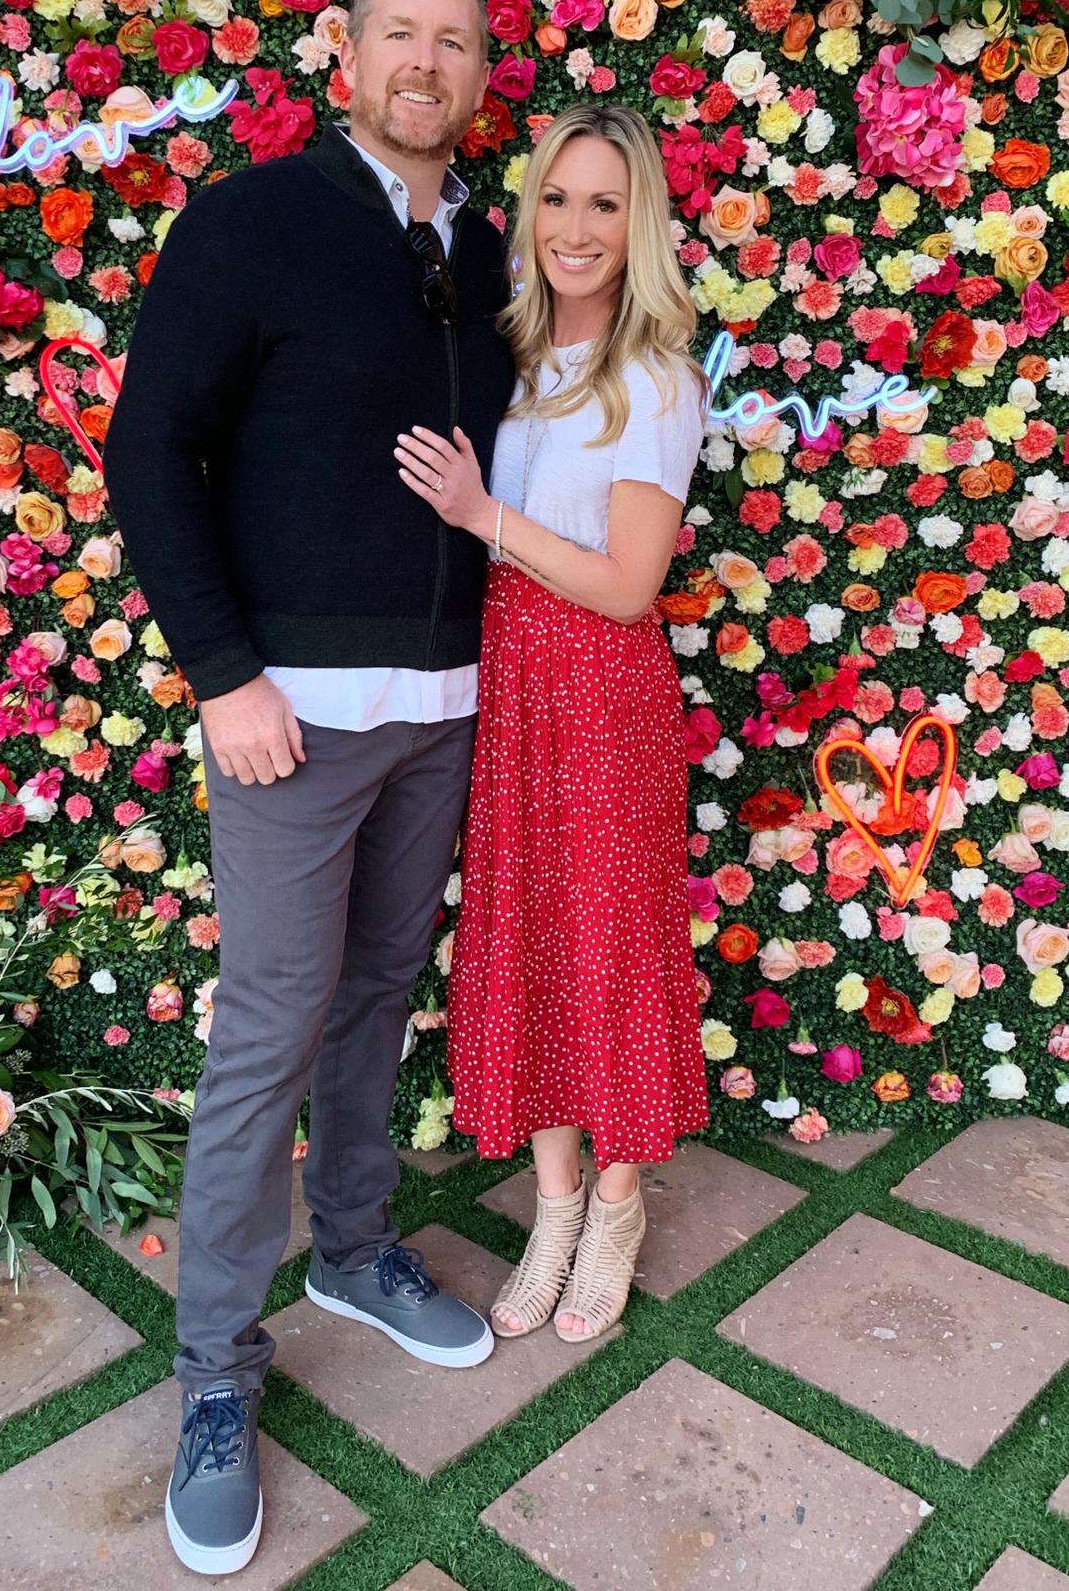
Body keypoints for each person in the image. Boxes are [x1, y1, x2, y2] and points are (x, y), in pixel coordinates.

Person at [102, 0, 518, 1577]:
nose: (426, 63)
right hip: (288, 716)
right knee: (268, 1028)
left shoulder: (487, 249)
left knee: (377, 993)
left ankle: (352, 1247)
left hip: (444, 707)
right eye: (399, 34)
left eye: (454, 42)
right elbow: (151, 448)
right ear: (347, 55)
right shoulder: (253, 221)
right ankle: (215, 1370)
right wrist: (223, 674)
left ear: (479, 76)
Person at [394, 102, 710, 1346]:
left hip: (604, 686)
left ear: (640, 225)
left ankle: (617, 1207)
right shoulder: (511, 355)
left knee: (607, 942)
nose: (576, 227)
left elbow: (630, 585)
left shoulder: (656, 377)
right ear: (530, 215)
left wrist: (483, 516)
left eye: (604, 203)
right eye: (558, 199)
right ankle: (556, 1203)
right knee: (527, 933)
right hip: (512, 678)